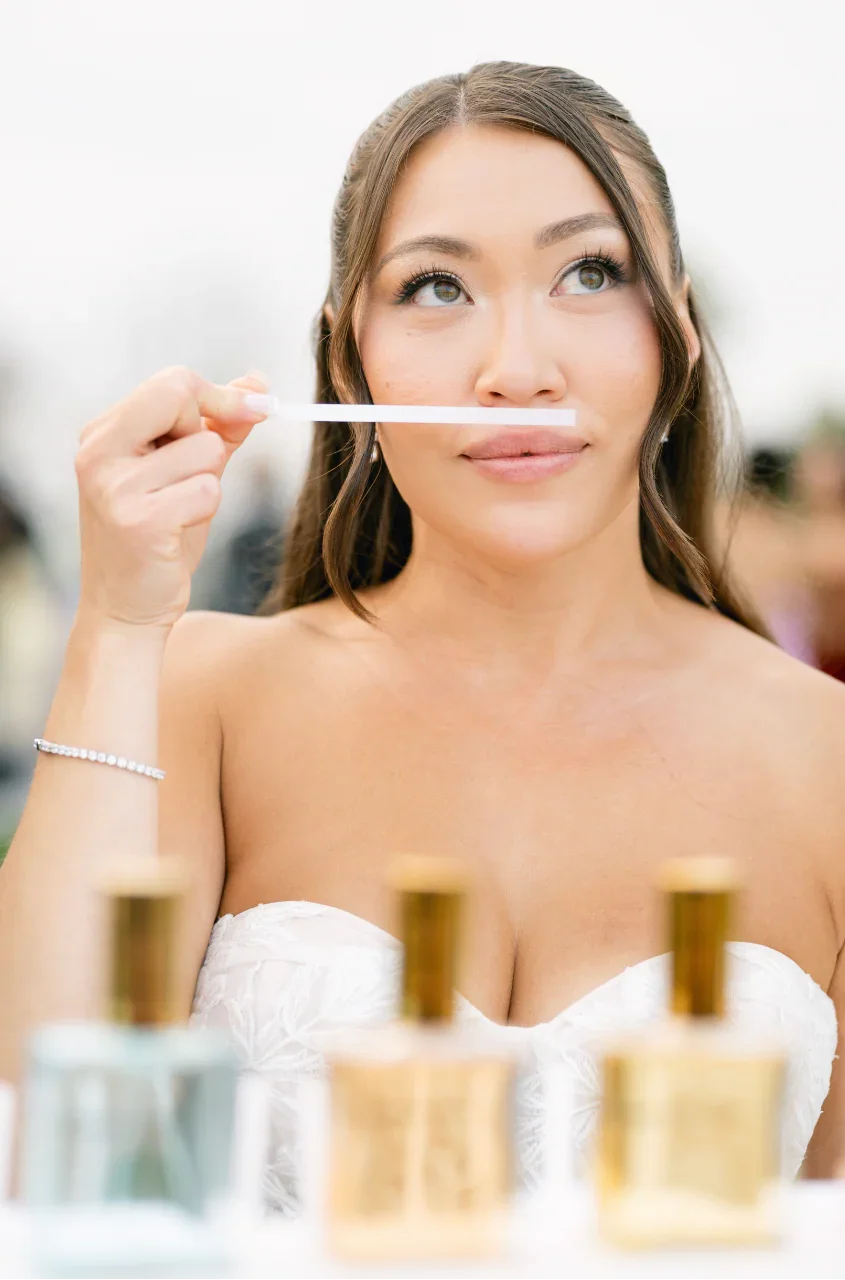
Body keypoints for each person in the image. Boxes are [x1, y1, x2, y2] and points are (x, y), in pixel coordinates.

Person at [1, 62, 843, 1213]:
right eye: (437, 288)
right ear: (350, 359)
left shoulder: (826, 757)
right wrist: (116, 622)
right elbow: (34, 1145)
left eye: (589, 273)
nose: (515, 370)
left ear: (678, 339)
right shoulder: (205, 692)